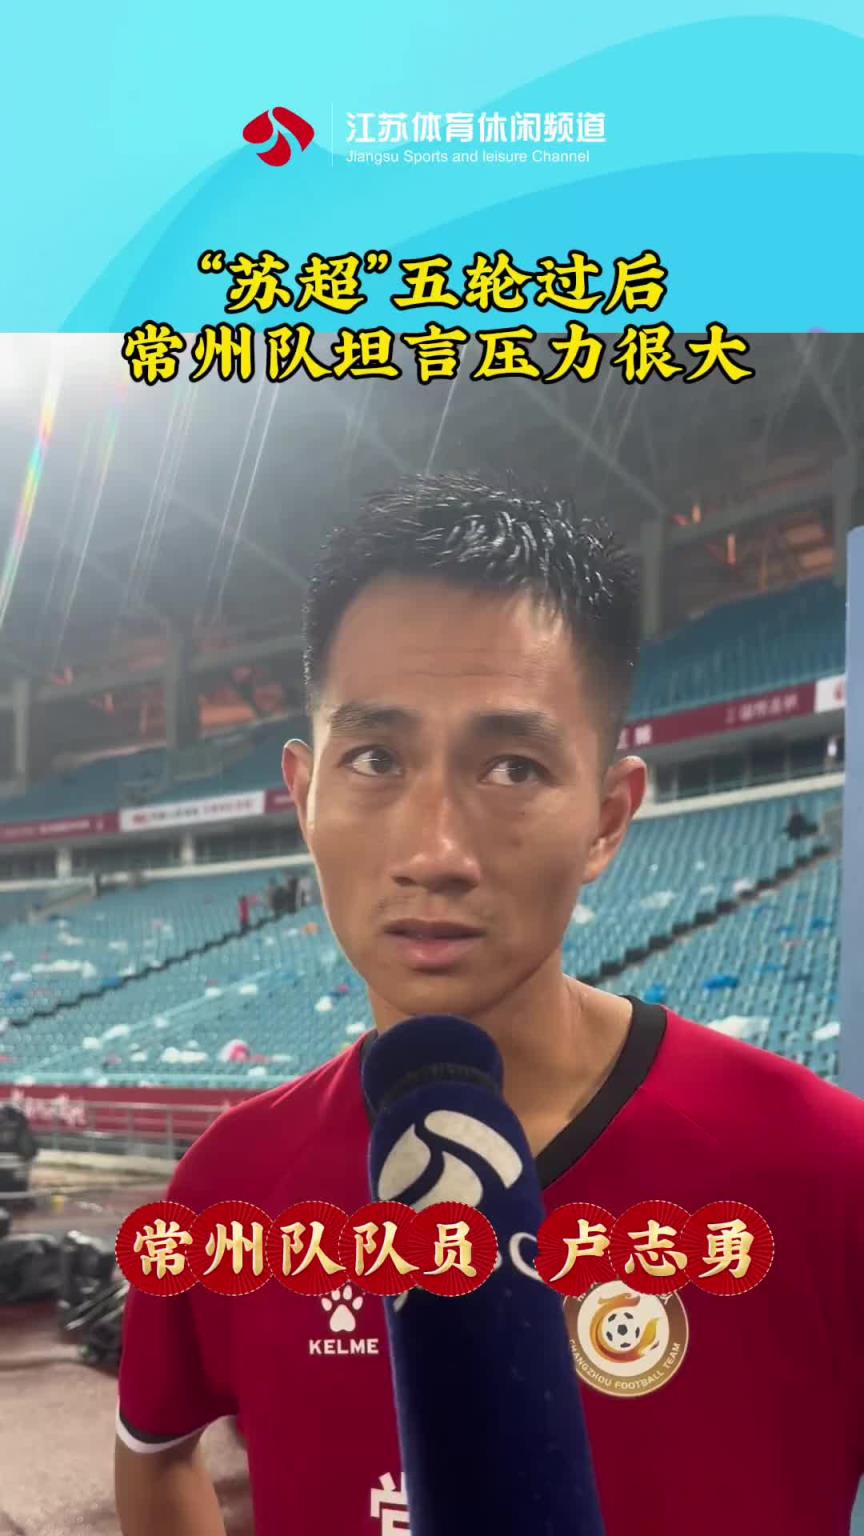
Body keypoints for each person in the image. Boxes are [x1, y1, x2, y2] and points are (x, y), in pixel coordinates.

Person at [115, 475, 864, 1536]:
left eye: (513, 767)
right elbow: (155, 1460)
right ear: (304, 796)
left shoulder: (828, 1172)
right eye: (376, 759)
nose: (435, 852)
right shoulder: (229, 1188)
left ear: (608, 818)